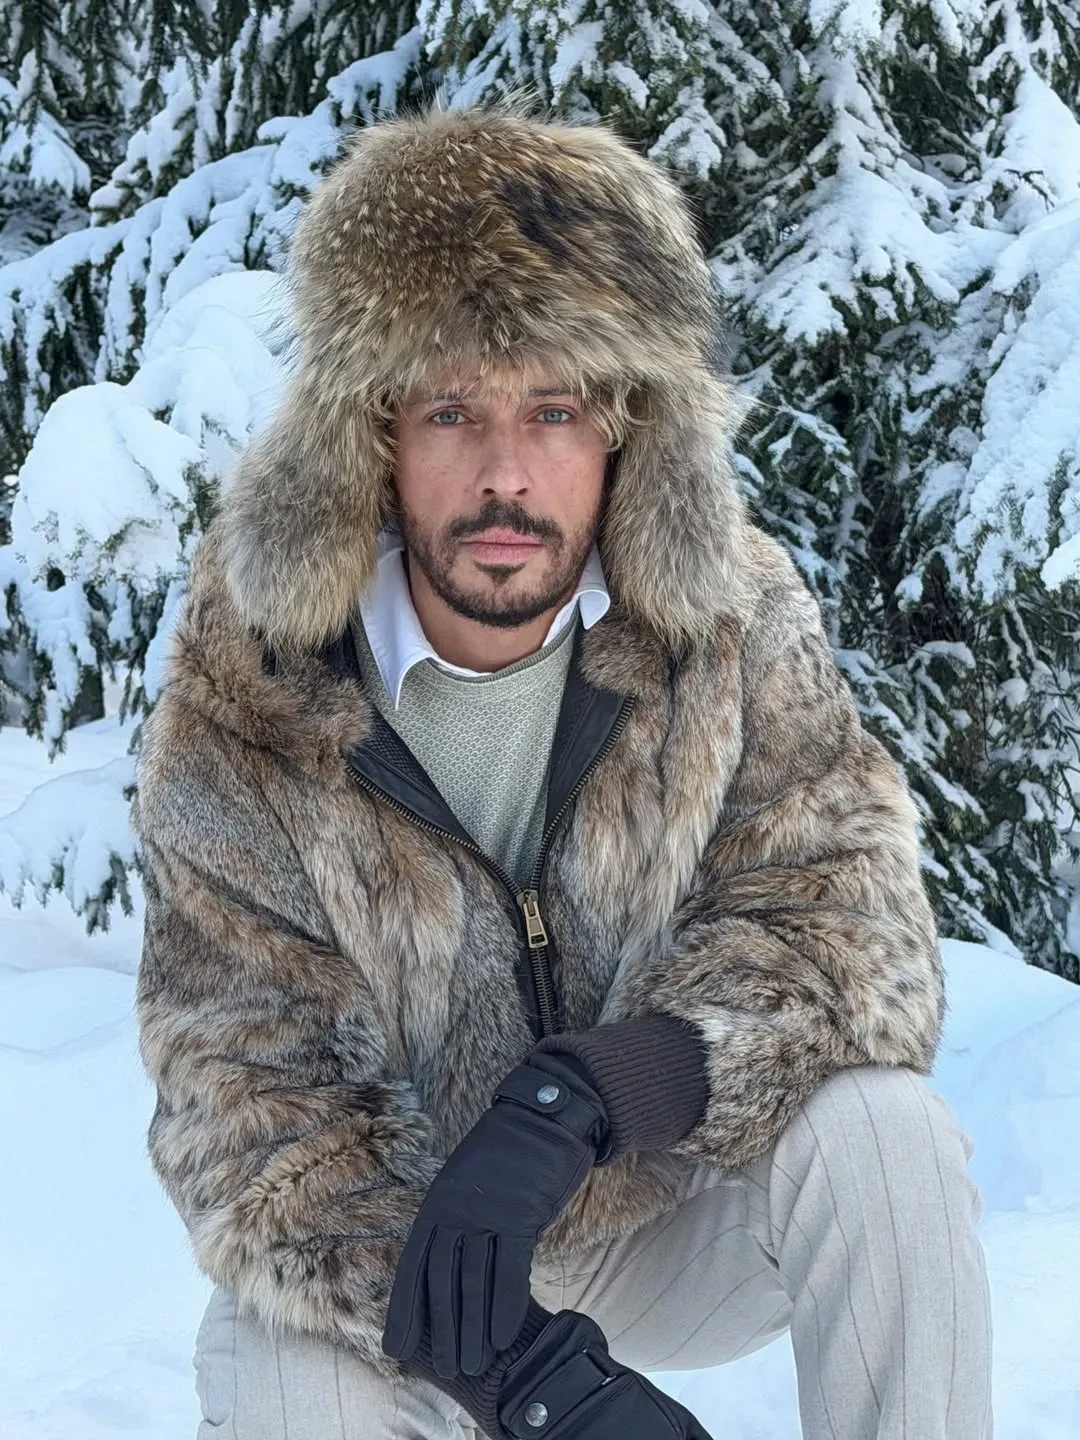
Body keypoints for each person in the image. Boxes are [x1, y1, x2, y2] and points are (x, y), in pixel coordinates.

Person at [132, 97, 993, 1440]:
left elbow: (849, 929)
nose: (505, 476)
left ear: (625, 432)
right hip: (402, 1263)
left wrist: (595, 1090)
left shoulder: (728, 621)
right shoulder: (258, 683)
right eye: (451, 412)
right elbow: (244, 1099)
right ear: (375, 432)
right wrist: (532, 1382)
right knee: (284, 1383)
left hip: (665, 1218)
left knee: (886, 1134)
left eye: (554, 411)